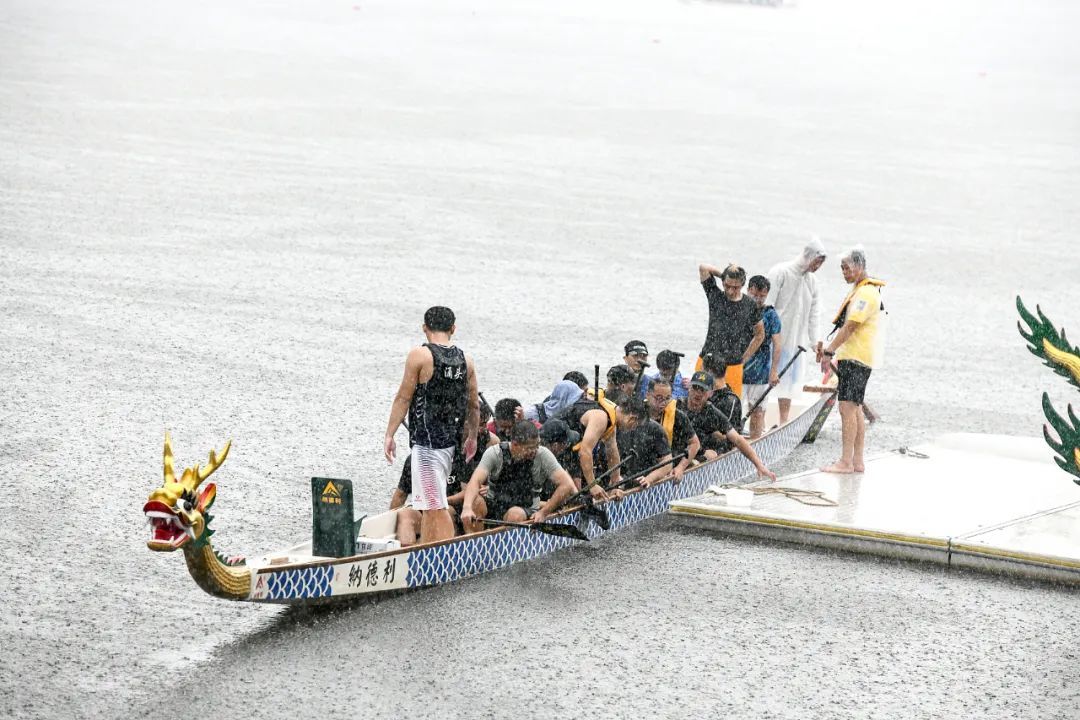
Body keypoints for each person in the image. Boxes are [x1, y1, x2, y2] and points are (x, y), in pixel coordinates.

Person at [384, 306, 479, 544]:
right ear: (453, 329)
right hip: (451, 445)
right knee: (428, 505)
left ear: (424, 328)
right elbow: (473, 405)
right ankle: (427, 547)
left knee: (436, 506)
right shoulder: (466, 361)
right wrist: (473, 437)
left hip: (427, 446)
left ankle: (444, 557)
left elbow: (403, 397)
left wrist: (390, 434)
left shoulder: (420, 355)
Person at [817, 246, 886, 474]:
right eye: (842, 268)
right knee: (855, 409)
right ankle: (857, 461)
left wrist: (830, 351)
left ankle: (845, 462)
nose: (844, 272)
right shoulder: (864, 290)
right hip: (858, 357)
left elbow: (851, 325)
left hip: (856, 357)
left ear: (859, 266)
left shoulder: (866, 293)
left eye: (846, 268)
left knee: (846, 408)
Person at [392, 404, 499, 546]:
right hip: (429, 506)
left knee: (448, 510)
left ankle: (467, 545)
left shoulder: (462, 455)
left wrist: (442, 502)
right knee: (404, 515)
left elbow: (467, 491)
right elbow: (400, 495)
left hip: (457, 507)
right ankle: (406, 554)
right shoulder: (414, 459)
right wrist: (388, 517)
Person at [460, 421, 577, 532]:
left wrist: (544, 513)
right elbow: (475, 481)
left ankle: (506, 546)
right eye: (530, 448)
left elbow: (566, 485)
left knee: (514, 514)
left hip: (526, 508)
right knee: (476, 501)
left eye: (537, 445)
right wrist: (467, 508)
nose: (535, 451)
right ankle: (474, 542)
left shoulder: (543, 454)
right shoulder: (494, 453)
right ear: (515, 444)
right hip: (494, 504)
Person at [767, 238, 827, 424]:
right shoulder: (781, 272)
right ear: (808, 256)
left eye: (821, 263)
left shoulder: (811, 282)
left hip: (796, 342)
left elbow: (813, 315)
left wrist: (815, 341)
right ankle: (756, 418)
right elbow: (767, 306)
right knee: (765, 380)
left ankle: (783, 420)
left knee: (788, 384)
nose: (817, 266)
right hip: (774, 339)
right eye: (816, 261)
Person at [677, 371, 777, 480]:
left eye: (702, 390)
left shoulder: (712, 413)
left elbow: (738, 440)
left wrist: (759, 465)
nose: (698, 393)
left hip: (698, 453)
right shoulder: (677, 407)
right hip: (677, 451)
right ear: (689, 388)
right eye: (695, 388)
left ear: (710, 393)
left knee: (712, 453)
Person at [697, 263, 764, 398]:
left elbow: (760, 334)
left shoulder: (750, 305)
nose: (730, 290)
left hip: (732, 365)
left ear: (742, 285)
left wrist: (744, 358)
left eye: (735, 287)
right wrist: (724, 274)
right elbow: (703, 268)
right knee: (698, 400)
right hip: (707, 361)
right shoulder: (715, 295)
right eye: (727, 285)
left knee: (731, 405)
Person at [550, 390, 626, 500]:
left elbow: (612, 451)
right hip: (556, 444)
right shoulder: (601, 417)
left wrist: (615, 484)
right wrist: (592, 485)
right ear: (632, 419)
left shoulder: (612, 419)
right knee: (573, 492)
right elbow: (585, 452)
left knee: (579, 492)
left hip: (572, 449)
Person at [743, 275, 783, 439]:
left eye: (762, 296)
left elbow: (778, 345)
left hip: (760, 372)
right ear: (748, 290)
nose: (758, 299)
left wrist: (774, 372)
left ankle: (754, 443)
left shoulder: (771, 314)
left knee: (757, 412)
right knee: (732, 410)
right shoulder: (739, 308)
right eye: (755, 295)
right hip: (737, 369)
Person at [643, 378, 699, 481]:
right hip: (643, 468)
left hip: (669, 468)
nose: (663, 403)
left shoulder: (678, 416)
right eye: (658, 398)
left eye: (667, 398)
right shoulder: (636, 414)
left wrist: (680, 468)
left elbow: (695, 444)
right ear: (647, 395)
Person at [615, 396, 674, 489]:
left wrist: (649, 479)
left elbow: (667, 463)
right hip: (615, 483)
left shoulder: (654, 428)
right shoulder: (613, 425)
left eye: (637, 425)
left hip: (642, 484)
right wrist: (615, 478)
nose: (633, 428)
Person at [702, 352, 743, 437]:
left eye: (702, 371)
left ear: (709, 372)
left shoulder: (730, 401)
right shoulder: (704, 393)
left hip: (721, 448)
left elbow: (723, 436)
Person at [538, 418, 582, 496]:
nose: (568, 446)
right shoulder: (537, 461)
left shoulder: (556, 452)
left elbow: (568, 477)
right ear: (555, 445)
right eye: (566, 443)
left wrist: (578, 495)